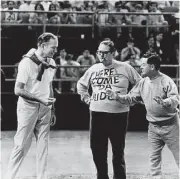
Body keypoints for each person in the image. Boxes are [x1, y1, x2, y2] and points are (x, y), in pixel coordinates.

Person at [106, 54, 179, 179]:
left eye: (143, 65)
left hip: (171, 126)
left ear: (152, 66)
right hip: (153, 128)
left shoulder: (166, 81)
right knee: (154, 160)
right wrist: (118, 97)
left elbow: (175, 99)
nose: (140, 67)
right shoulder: (142, 83)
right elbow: (131, 98)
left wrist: (165, 102)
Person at [77, 40, 142, 179]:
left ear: (113, 53)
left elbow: (140, 84)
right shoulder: (94, 69)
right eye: (99, 52)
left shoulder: (125, 67)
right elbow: (81, 85)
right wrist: (86, 98)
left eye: (106, 53)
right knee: (97, 149)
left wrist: (129, 99)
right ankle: (102, 176)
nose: (102, 55)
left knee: (118, 150)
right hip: (97, 113)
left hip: (119, 114)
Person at [5, 32, 58, 179]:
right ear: (42, 45)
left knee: (43, 147)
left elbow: (49, 84)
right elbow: (18, 90)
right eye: (53, 47)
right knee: (21, 145)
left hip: (45, 108)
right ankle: (9, 176)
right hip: (28, 108)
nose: (55, 50)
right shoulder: (26, 63)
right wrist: (41, 100)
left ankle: (42, 177)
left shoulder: (52, 62)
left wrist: (52, 109)